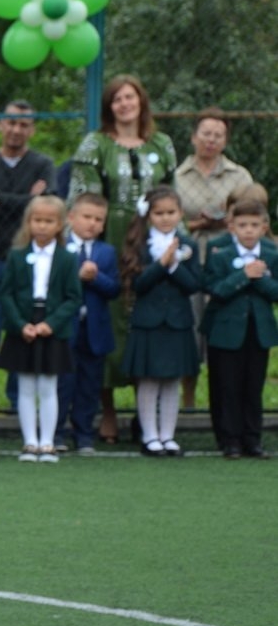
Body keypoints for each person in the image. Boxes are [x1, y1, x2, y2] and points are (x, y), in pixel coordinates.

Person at [68, 74, 177, 444]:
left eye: (130, 97)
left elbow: (171, 195)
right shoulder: (95, 144)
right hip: (109, 237)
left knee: (147, 318)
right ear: (109, 107)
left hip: (153, 238)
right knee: (109, 319)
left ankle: (147, 416)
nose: (125, 104)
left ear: (141, 101)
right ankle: (108, 410)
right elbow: (83, 199)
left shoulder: (162, 144)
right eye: (117, 99)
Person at [0, 101, 55, 411]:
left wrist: (1, 199)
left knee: (24, 334)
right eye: (11, 122)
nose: (16, 130)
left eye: (24, 124)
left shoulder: (43, 164)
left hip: (30, 262)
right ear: (0, 124)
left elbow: (46, 207)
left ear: (32, 129)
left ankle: (20, 405)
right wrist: (27, 200)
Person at [173, 108, 253, 409]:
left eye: (218, 135)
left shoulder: (239, 175)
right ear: (194, 137)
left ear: (225, 140)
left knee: (223, 328)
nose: (211, 140)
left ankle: (222, 402)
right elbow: (166, 217)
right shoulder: (177, 176)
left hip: (228, 259)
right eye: (206, 133)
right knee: (191, 326)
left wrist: (228, 220)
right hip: (189, 258)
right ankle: (188, 400)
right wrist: (197, 223)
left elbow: (251, 212)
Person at [0, 196, 81, 463]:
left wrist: (50, 324)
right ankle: (30, 442)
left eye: (48, 221)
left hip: (50, 325)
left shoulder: (67, 258)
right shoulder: (17, 256)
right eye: (37, 220)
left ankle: (47, 442)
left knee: (47, 386)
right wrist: (21, 324)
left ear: (60, 224)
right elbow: (6, 293)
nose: (42, 226)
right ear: (28, 222)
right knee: (25, 386)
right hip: (24, 323)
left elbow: (73, 298)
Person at [119, 187, 200, 457]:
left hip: (177, 321)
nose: (165, 218)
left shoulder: (188, 245)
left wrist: (174, 265)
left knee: (172, 380)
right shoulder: (140, 246)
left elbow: (193, 285)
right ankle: (150, 436)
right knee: (149, 380)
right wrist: (161, 264)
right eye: (159, 213)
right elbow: (138, 284)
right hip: (148, 321)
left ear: (180, 213)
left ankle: (168, 436)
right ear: (149, 215)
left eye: (171, 212)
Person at [202, 198, 278, 458]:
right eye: (243, 225)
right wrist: (243, 276)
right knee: (228, 386)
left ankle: (252, 439)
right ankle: (230, 439)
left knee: (253, 386)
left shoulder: (271, 254)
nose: (248, 230)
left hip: (258, 330)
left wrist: (259, 278)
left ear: (264, 227)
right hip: (226, 330)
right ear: (232, 227)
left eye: (254, 225)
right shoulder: (219, 253)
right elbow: (214, 288)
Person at [56, 193, 120, 455]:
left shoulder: (107, 252)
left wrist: (96, 278)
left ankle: (84, 434)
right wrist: (77, 274)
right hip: (65, 328)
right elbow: (54, 284)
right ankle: (56, 432)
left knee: (89, 384)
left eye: (98, 219)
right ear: (71, 218)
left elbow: (114, 288)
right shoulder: (60, 248)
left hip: (94, 330)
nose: (92, 223)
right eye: (87, 217)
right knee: (63, 382)